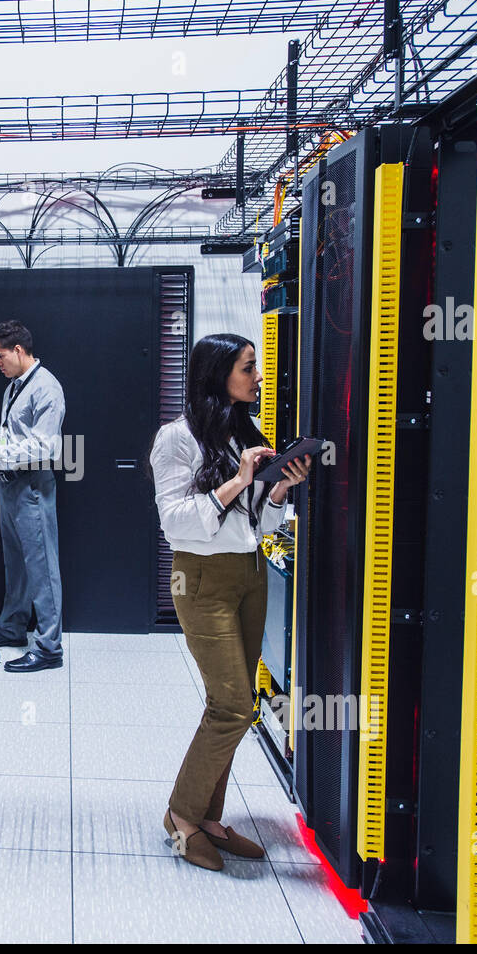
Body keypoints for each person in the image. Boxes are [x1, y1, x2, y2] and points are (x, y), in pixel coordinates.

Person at [148, 332, 311, 870]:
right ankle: (182, 816)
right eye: (248, 367)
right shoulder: (175, 437)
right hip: (199, 579)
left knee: (238, 707)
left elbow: (252, 524)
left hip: (248, 573)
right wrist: (238, 481)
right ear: (219, 374)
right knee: (233, 705)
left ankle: (210, 818)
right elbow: (175, 522)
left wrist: (278, 490)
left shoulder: (241, 430)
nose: (259, 376)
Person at [0, 320, 66, 673]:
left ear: (19, 351)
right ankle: (12, 628)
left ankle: (49, 648)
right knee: (17, 563)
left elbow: (43, 447)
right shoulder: (15, 387)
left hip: (32, 485)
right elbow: (12, 436)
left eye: (0, 356)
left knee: (42, 567)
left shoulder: (46, 388)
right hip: (10, 485)